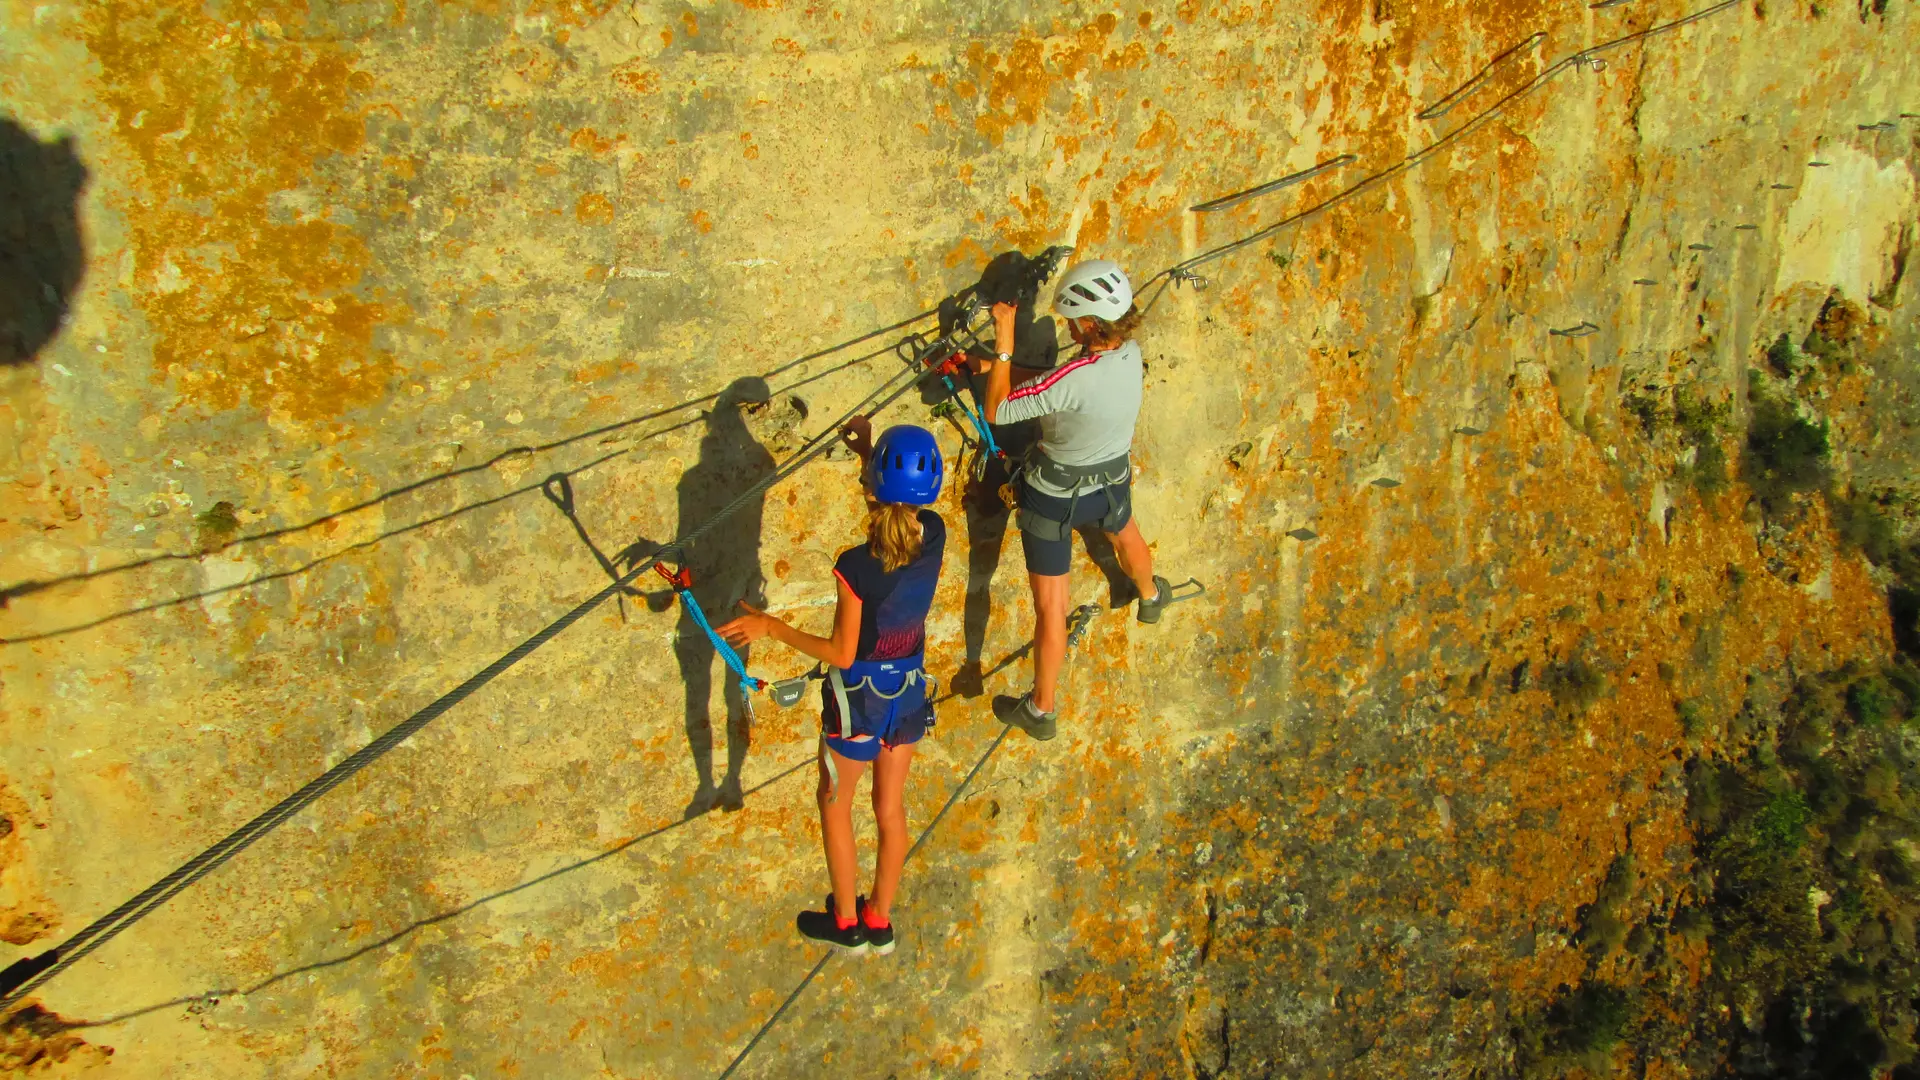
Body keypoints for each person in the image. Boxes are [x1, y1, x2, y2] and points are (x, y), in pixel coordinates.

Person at [716, 419, 947, 956]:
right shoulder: (933, 536)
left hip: (858, 705)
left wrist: (771, 628)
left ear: (873, 489)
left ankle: (846, 922)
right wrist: (871, 455)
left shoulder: (854, 566)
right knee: (890, 810)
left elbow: (842, 653)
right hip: (907, 698)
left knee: (835, 803)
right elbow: (894, 513)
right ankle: (879, 919)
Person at [979, 259, 1175, 741]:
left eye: (1071, 320)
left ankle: (1041, 709)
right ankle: (1150, 596)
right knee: (1126, 534)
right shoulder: (1129, 353)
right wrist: (993, 368)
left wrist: (1003, 338)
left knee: (1051, 609)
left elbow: (999, 408)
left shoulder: (1073, 378)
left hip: (1052, 501)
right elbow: (1057, 384)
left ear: (1088, 322)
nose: (1067, 327)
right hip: (1109, 487)